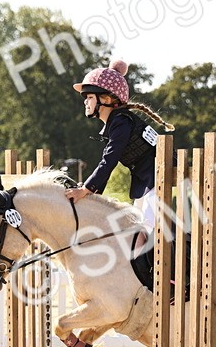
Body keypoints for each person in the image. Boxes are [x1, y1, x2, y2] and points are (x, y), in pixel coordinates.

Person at [64, 60, 173, 228]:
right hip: (147, 180)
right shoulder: (118, 121)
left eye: (90, 97)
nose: (85, 102)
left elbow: (109, 160)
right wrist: (90, 192)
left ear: (106, 99)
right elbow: (108, 164)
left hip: (159, 178)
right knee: (138, 229)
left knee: (148, 230)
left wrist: (86, 189)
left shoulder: (121, 122)